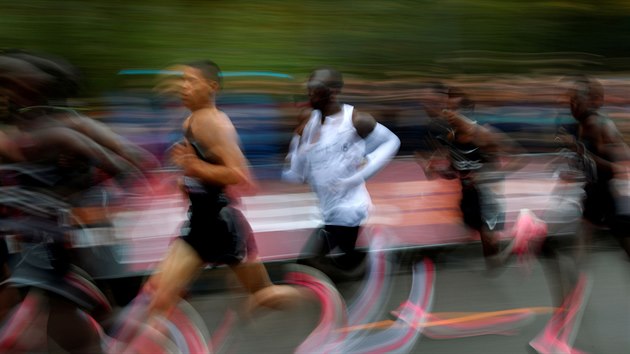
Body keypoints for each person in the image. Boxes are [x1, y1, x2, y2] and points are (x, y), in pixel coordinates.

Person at [144, 60, 302, 318]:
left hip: (220, 226)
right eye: (181, 80)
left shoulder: (213, 124)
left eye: (191, 81)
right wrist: (187, 179)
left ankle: (315, 295)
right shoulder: (192, 120)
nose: (183, 86)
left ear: (212, 86)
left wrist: (194, 168)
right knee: (157, 295)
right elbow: (205, 167)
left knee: (263, 294)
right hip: (203, 221)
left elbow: (240, 175)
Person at [283, 67, 401, 281]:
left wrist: (358, 175)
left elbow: (392, 142)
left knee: (309, 262)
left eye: (316, 89)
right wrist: (296, 141)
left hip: (349, 208)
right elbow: (294, 175)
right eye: (308, 88)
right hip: (328, 208)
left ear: (334, 91)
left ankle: (365, 274)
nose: (310, 94)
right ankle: (369, 270)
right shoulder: (309, 126)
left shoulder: (355, 120)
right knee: (345, 258)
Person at [415, 83, 525, 270]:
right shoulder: (450, 138)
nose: (448, 113)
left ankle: (522, 238)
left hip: (488, 198)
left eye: (454, 109)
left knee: (492, 261)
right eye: (447, 108)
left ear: (466, 112)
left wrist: (490, 176)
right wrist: (433, 170)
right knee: (476, 238)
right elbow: (453, 171)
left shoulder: (484, 134)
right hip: (468, 197)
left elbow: (519, 157)